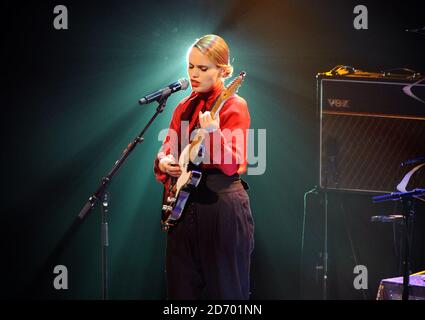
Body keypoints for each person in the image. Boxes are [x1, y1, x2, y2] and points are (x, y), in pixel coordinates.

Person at [153, 34, 254, 300]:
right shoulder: (184, 107)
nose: (194, 74)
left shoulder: (234, 105)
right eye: (190, 66)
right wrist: (164, 160)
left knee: (225, 290)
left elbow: (232, 164)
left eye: (203, 68)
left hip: (221, 207)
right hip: (184, 208)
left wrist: (213, 134)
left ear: (223, 70)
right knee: (182, 290)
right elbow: (167, 146)